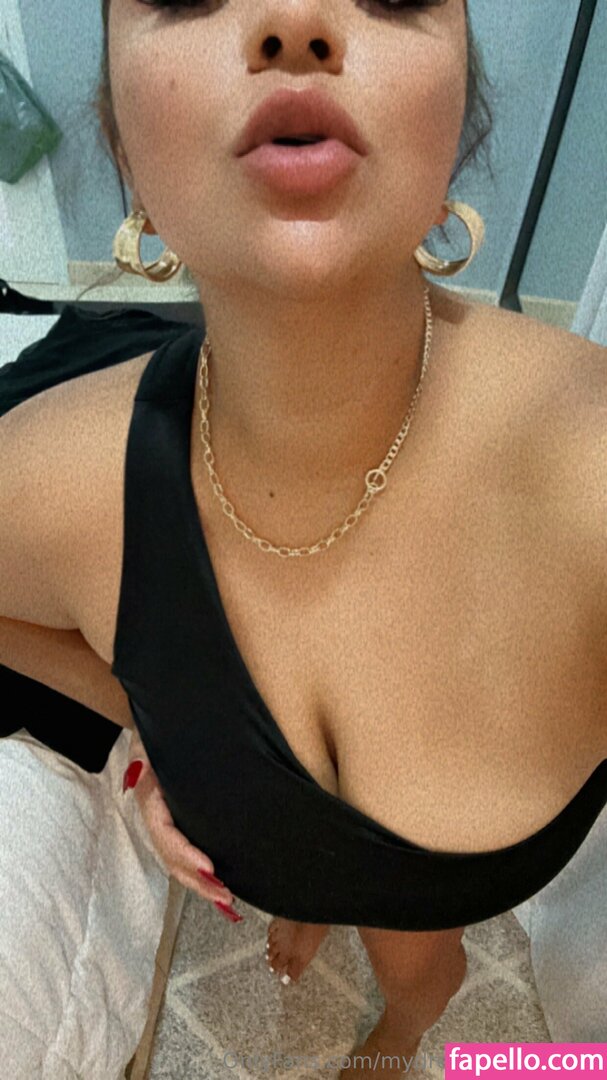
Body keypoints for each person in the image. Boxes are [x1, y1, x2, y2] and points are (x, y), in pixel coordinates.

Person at [2, 1, 606, 1075]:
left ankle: (403, 1030)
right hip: (260, 856)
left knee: (417, 969)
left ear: (458, 122)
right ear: (125, 146)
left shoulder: (587, 463)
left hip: (426, 920)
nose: (292, 21)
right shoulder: (42, 475)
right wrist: (159, 725)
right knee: (307, 886)